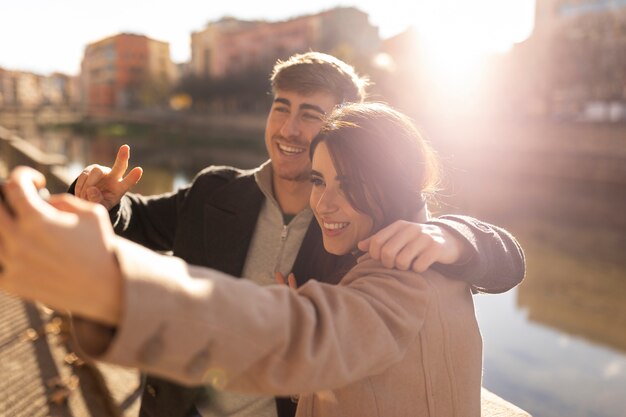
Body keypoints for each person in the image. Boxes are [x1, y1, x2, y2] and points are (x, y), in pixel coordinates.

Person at [65, 51, 523, 417]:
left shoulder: (364, 227)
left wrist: (456, 233)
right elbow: (138, 222)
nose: (288, 128)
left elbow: (502, 263)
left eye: (309, 115)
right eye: (281, 108)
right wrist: (106, 203)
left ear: (346, 128)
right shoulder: (214, 190)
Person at [0, 102, 483, 416]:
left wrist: (105, 284)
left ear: (398, 181)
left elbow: (300, 335)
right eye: (320, 181)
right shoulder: (400, 247)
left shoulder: (409, 274)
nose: (326, 204)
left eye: (350, 185)